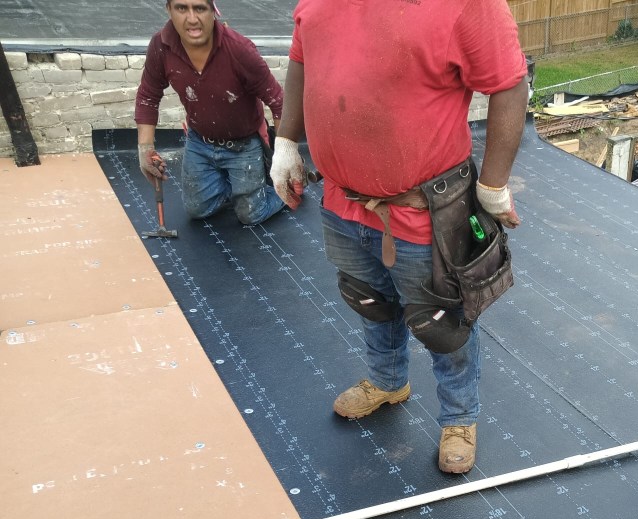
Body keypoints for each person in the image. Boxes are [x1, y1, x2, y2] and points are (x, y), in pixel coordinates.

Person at [270, 0, 528, 474]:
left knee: (442, 319)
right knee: (370, 299)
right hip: (344, 201)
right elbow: (302, 60)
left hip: (423, 210)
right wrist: (286, 141)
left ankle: (459, 416)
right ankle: (388, 382)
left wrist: (492, 185)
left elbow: (509, 83)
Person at [135, 0, 286, 226]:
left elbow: (278, 101)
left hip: (243, 144)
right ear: (168, 10)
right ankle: (236, 185)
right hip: (200, 142)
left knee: (251, 215)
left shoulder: (238, 49)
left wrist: (285, 157)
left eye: (200, 8)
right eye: (181, 8)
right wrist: (145, 150)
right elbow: (148, 95)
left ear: (213, 11)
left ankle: (282, 191)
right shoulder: (161, 46)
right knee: (198, 210)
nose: (192, 19)